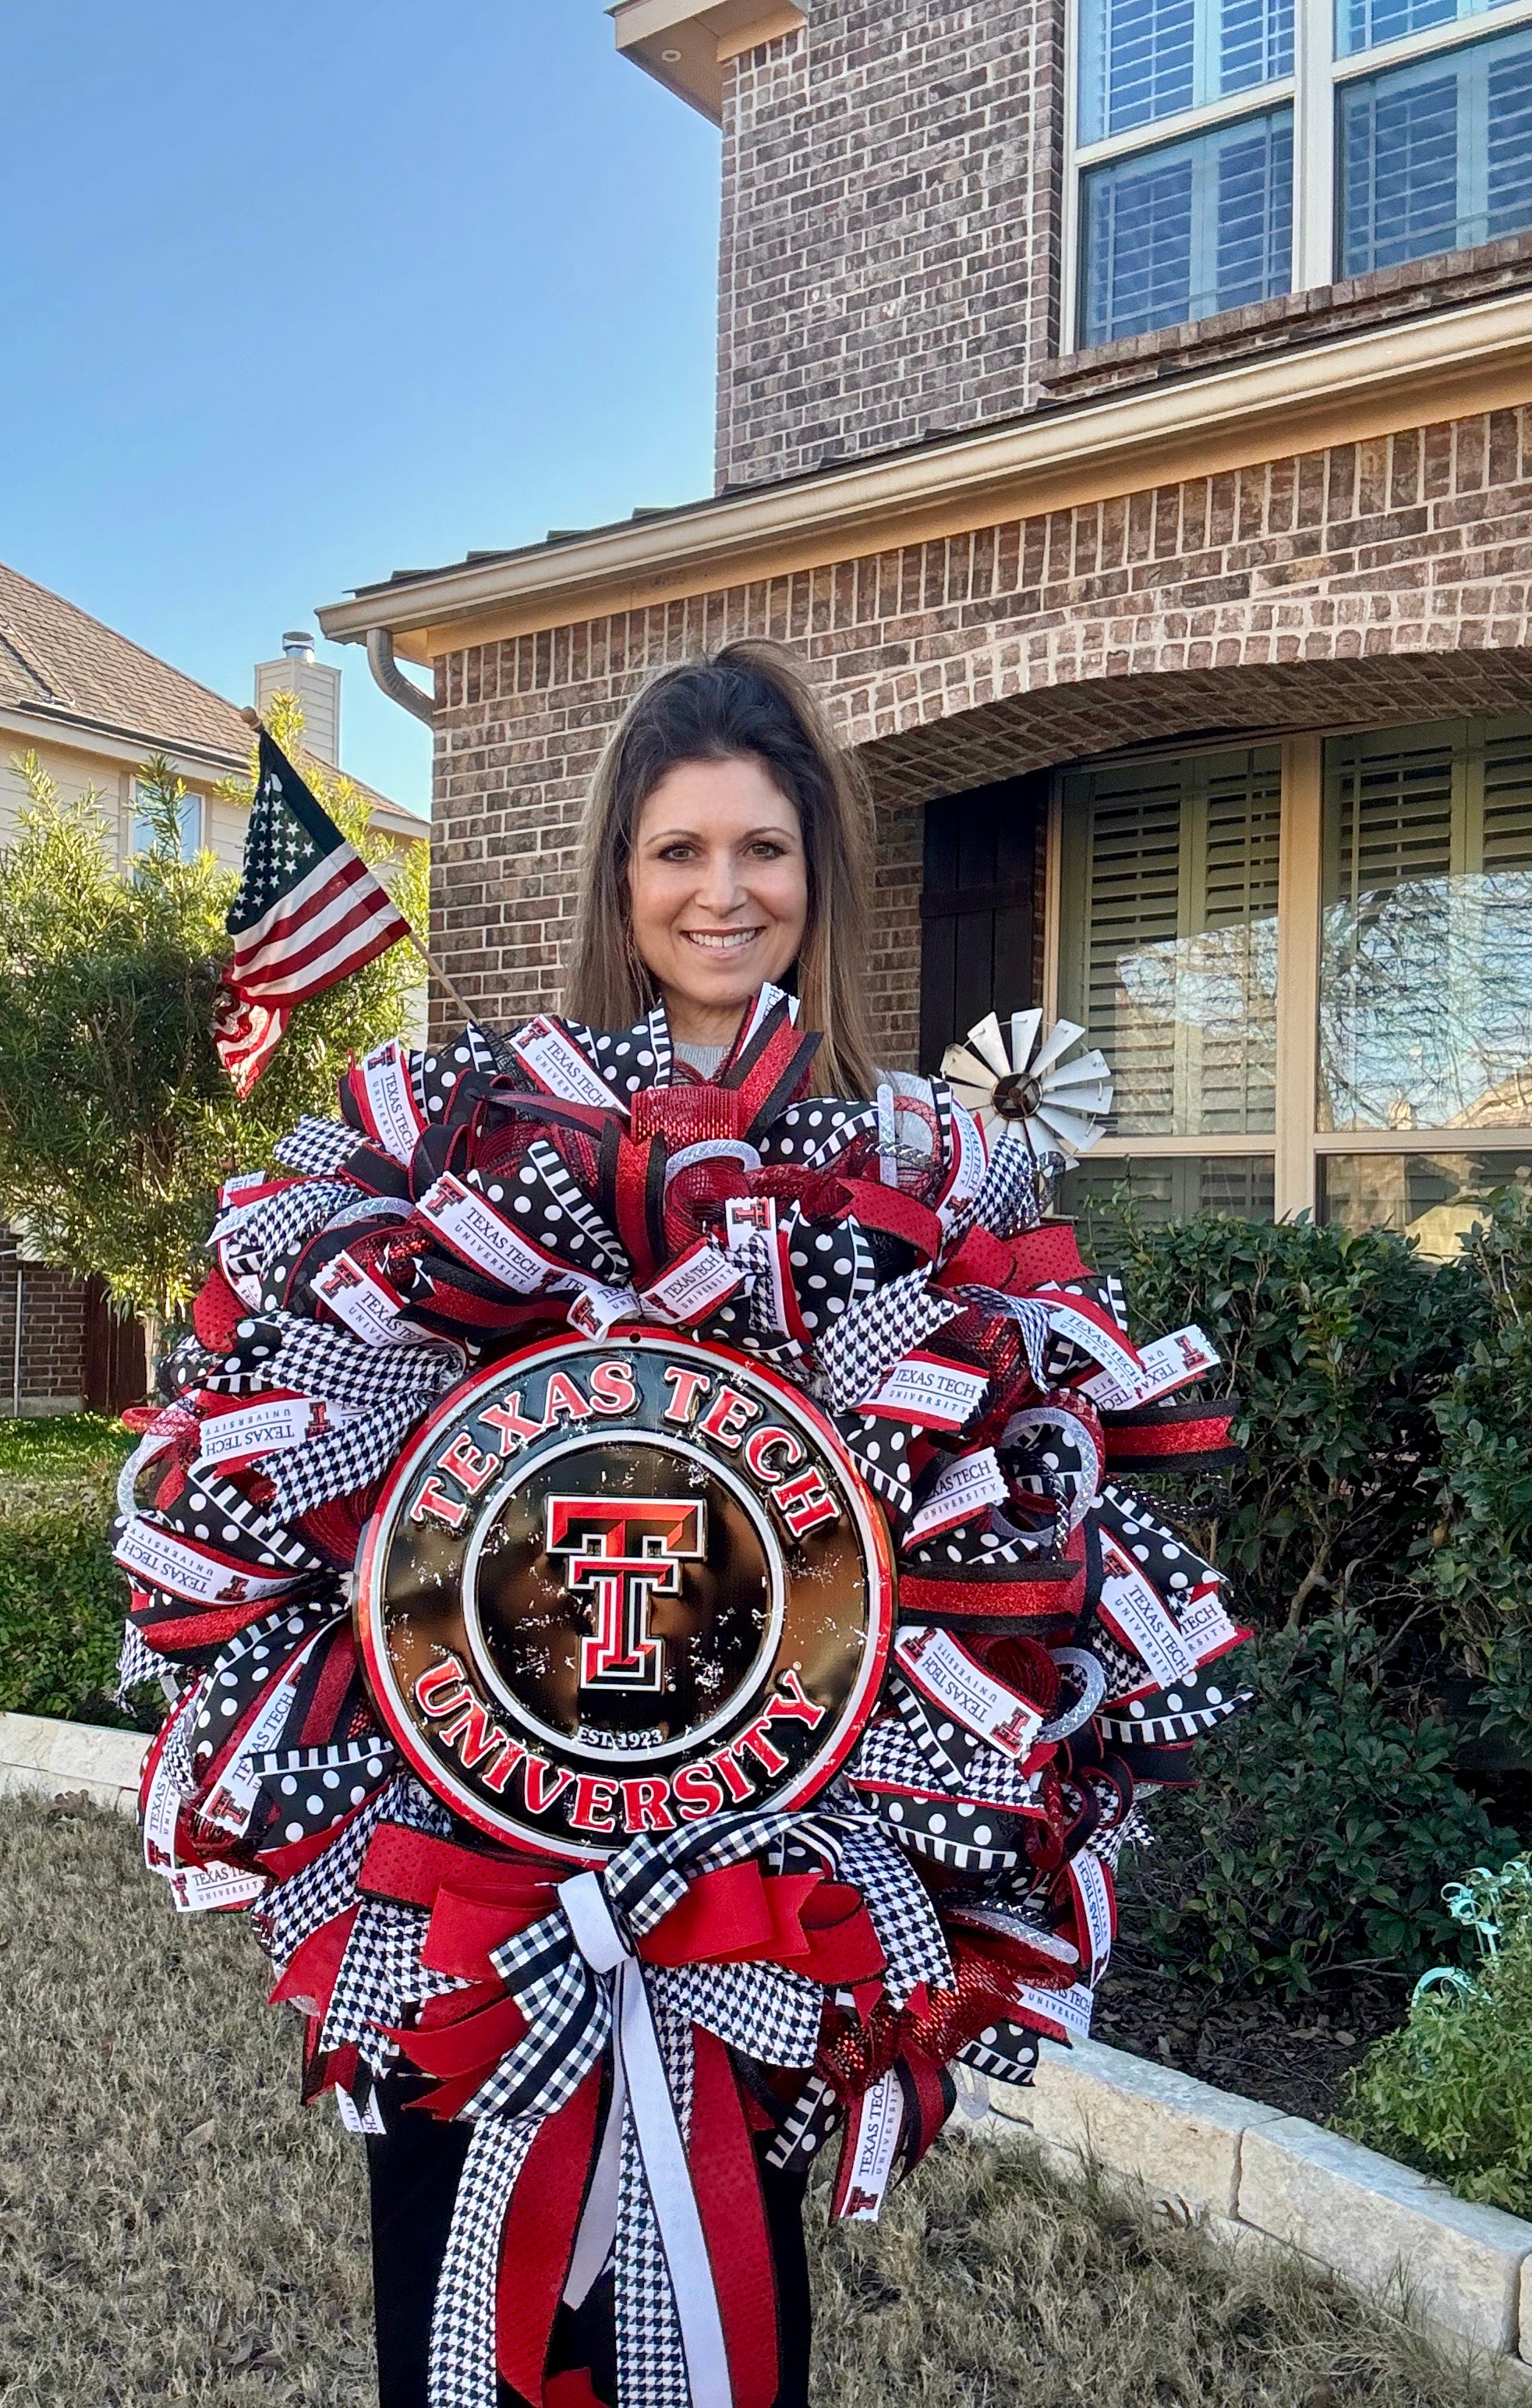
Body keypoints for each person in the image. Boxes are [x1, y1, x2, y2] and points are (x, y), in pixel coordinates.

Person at [366, 638, 877, 2408]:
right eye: (679, 850)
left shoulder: (889, 1165)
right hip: (491, 1846)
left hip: (752, 1855)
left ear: (815, 878)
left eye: (760, 849)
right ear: (619, 877)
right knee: (473, 2292)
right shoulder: (487, 1136)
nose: (720, 892)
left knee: (718, 2275)